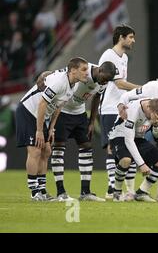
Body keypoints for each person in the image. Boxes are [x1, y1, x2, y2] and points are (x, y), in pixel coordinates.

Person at [37, 61, 116, 201]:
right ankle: (61, 192)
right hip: (62, 111)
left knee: (86, 148)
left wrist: (91, 121)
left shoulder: (103, 81)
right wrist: (43, 75)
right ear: (100, 70)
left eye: (107, 81)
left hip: (79, 113)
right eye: (104, 79)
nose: (104, 82)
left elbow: (97, 97)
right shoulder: (83, 69)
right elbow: (59, 74)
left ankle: (85, 192)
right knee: (59, 149)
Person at [16, 57, 89, 200]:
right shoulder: (59, 82)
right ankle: (34, 191)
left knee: (47, 150)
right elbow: (42, 103)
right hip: (28, 111)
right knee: (35, 150)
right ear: (73, 70)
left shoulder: (73, 85)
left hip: (41, 116)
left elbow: (58, 106)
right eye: (84, 69)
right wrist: (38, 131)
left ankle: (42, 190)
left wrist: (51, 128)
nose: (87, 73)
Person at [98, 24, 141, 200]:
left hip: (120, 107)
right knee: (111, 147)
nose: (133, 40)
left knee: (122, 147)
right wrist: (141, 89)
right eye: (130, 37)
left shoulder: (123, 57)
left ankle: (120, 189)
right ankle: (111, 189)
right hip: (109, 107)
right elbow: (119, 83)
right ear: (121, 37)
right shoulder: (109, 55)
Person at [108, 98, 158, 202]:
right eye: (153, 114)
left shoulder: (155, 109)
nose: (152, 117)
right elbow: (129, 140)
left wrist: (156, 124)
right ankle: (116, 192)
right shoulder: (133, 110)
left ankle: (142, 192)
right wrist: (142, 164)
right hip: (120, 136)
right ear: (148, 107)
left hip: (138, 137)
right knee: (126, 160)